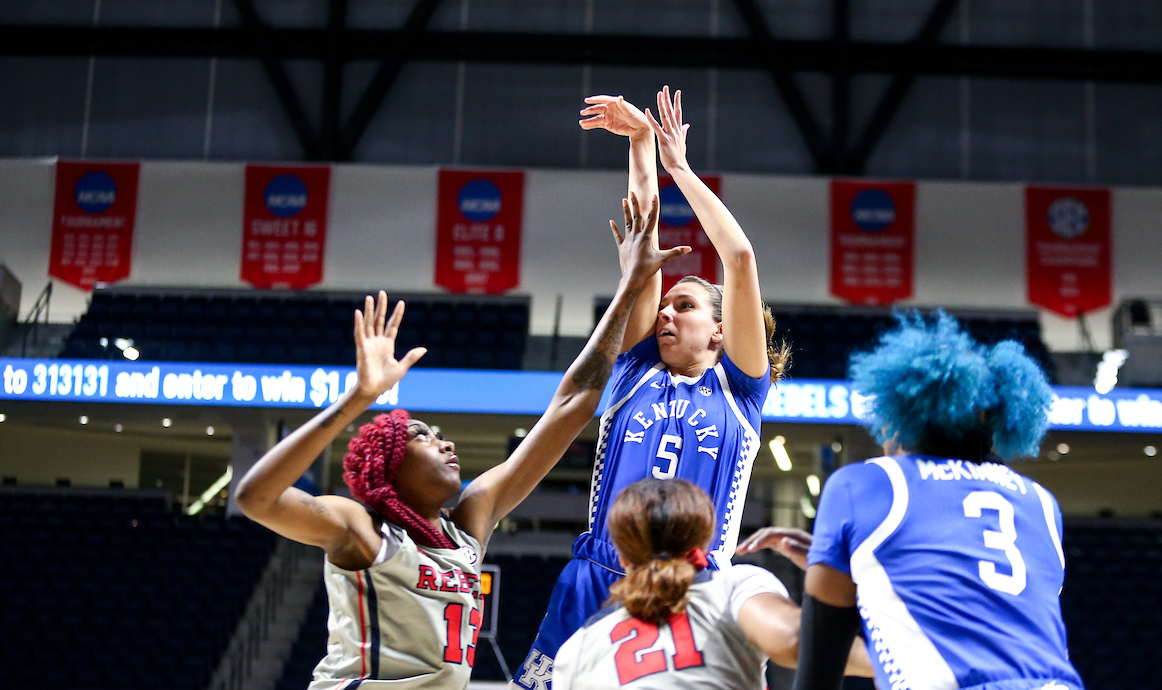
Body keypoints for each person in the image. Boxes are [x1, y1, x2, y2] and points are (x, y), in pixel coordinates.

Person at [234, 193, 689, 690]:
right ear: (390, 468)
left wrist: (629, 288)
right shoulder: (362, 530)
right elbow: (256, 498)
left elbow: (574, 403)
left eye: (439, 435)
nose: (445, 444)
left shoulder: (469, 523)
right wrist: (358, 398)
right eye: (423, 438)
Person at [514, 87, 791, 689]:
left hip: (694, 585)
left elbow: (739, 258)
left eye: (684, 306)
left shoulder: (741, 391)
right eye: (665, 306)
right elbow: (643, 247)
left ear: (720, 329)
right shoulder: (635, 372)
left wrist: (678, 169)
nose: (666, 312)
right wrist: (639, 146)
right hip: (599, 574)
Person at [743, 313, 1085, 690]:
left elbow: (819, 666)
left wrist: (835, 567)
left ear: (899, 418)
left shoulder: (867, 482)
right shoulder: (1039, 501)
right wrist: (861, 568)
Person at [551, 478, 804, 689]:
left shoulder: (577, 649)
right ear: (705, 540)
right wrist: (825, 571)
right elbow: (796, 642)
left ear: (622, 558)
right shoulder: (737, 586)